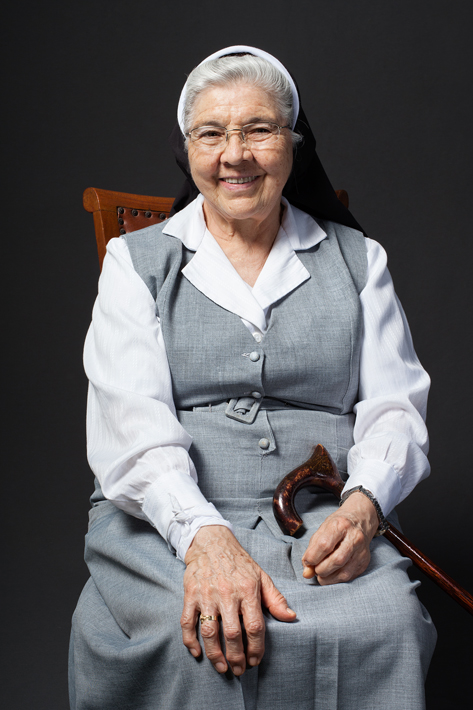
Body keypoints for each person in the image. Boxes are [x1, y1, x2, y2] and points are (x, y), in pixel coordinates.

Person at [69, 46, 437, 710]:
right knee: (199, 640)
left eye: (258, 130)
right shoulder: (137, 264)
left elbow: (394, 407)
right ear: (189, 151)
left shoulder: (359, 260)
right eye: (211, 133)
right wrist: (204, 538)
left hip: (319, 517)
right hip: (164, 519)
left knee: (386, 626)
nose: (233, 154)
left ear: (293, 147)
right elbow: (132, 424)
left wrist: (364, 508)